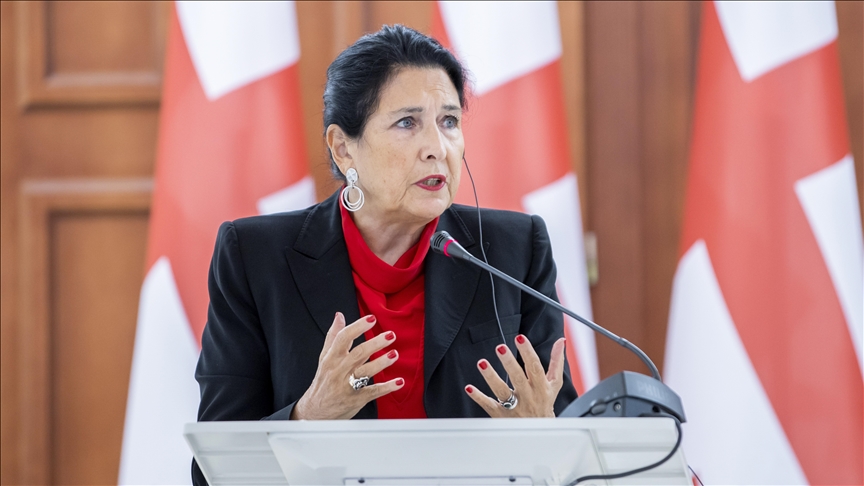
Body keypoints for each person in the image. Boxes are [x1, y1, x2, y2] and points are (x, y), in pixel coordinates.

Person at [193, 24, 578, 484]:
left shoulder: (513, 250)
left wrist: (544, 434)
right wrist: (308, 418)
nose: (437, 149)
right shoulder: (256, 257)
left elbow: (571, 444)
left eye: (449, 121)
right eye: (407, 123)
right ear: (343, 148)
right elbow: (213, 467)